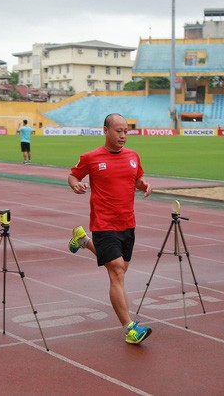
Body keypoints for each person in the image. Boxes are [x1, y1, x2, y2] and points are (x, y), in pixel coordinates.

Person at [67, 113, 153, 345]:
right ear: (105, 131)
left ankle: (83, 241)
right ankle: (130, 329)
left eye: (126, 131)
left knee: (121, 270)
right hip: (104, 224)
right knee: (116, 271)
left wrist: (143, 184)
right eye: (118, 131)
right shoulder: (91, 157)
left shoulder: (133, 156)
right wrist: (76, 184)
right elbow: (73, 176)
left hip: (127, 223)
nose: (123, 135)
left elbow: (137, 180)